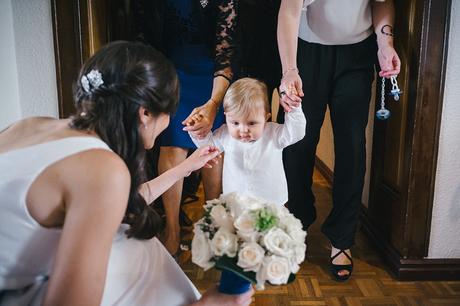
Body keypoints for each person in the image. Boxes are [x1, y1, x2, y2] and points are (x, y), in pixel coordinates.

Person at [0, 41, 253, 306]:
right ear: (145, 113)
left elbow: (117, 202)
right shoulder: (102, 169)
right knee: (138, 251)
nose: (168, 122)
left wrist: (185, 168)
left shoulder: (33, 124)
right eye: (169, 112)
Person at [277, 0, 401, 281]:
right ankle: (295, 226)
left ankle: (342, 238)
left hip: (357, 53)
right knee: (297, 144)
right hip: (306, 52)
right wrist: (289, 70)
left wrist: (385, 44)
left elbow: (382, 3)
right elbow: (289, 11)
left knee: (353, 147)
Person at [133, 0, 236, 255]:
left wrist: (213, 103)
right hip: (170, 75)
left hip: (212, 79)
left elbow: (227, 52)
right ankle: (172, 229)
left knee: (213, 146)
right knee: (172, 147)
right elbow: (144, 41)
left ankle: (213, 225)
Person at [189, 78, 306, 206]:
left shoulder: (273, 133)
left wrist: (294, 109)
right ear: (226, 117)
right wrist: (198, 132)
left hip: (271, 203)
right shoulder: (225, 134)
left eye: (252, 123)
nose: (243, 130)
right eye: (235, 123)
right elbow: (207, 147)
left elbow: (296, 133)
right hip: (236, 203)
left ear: (265, 118)